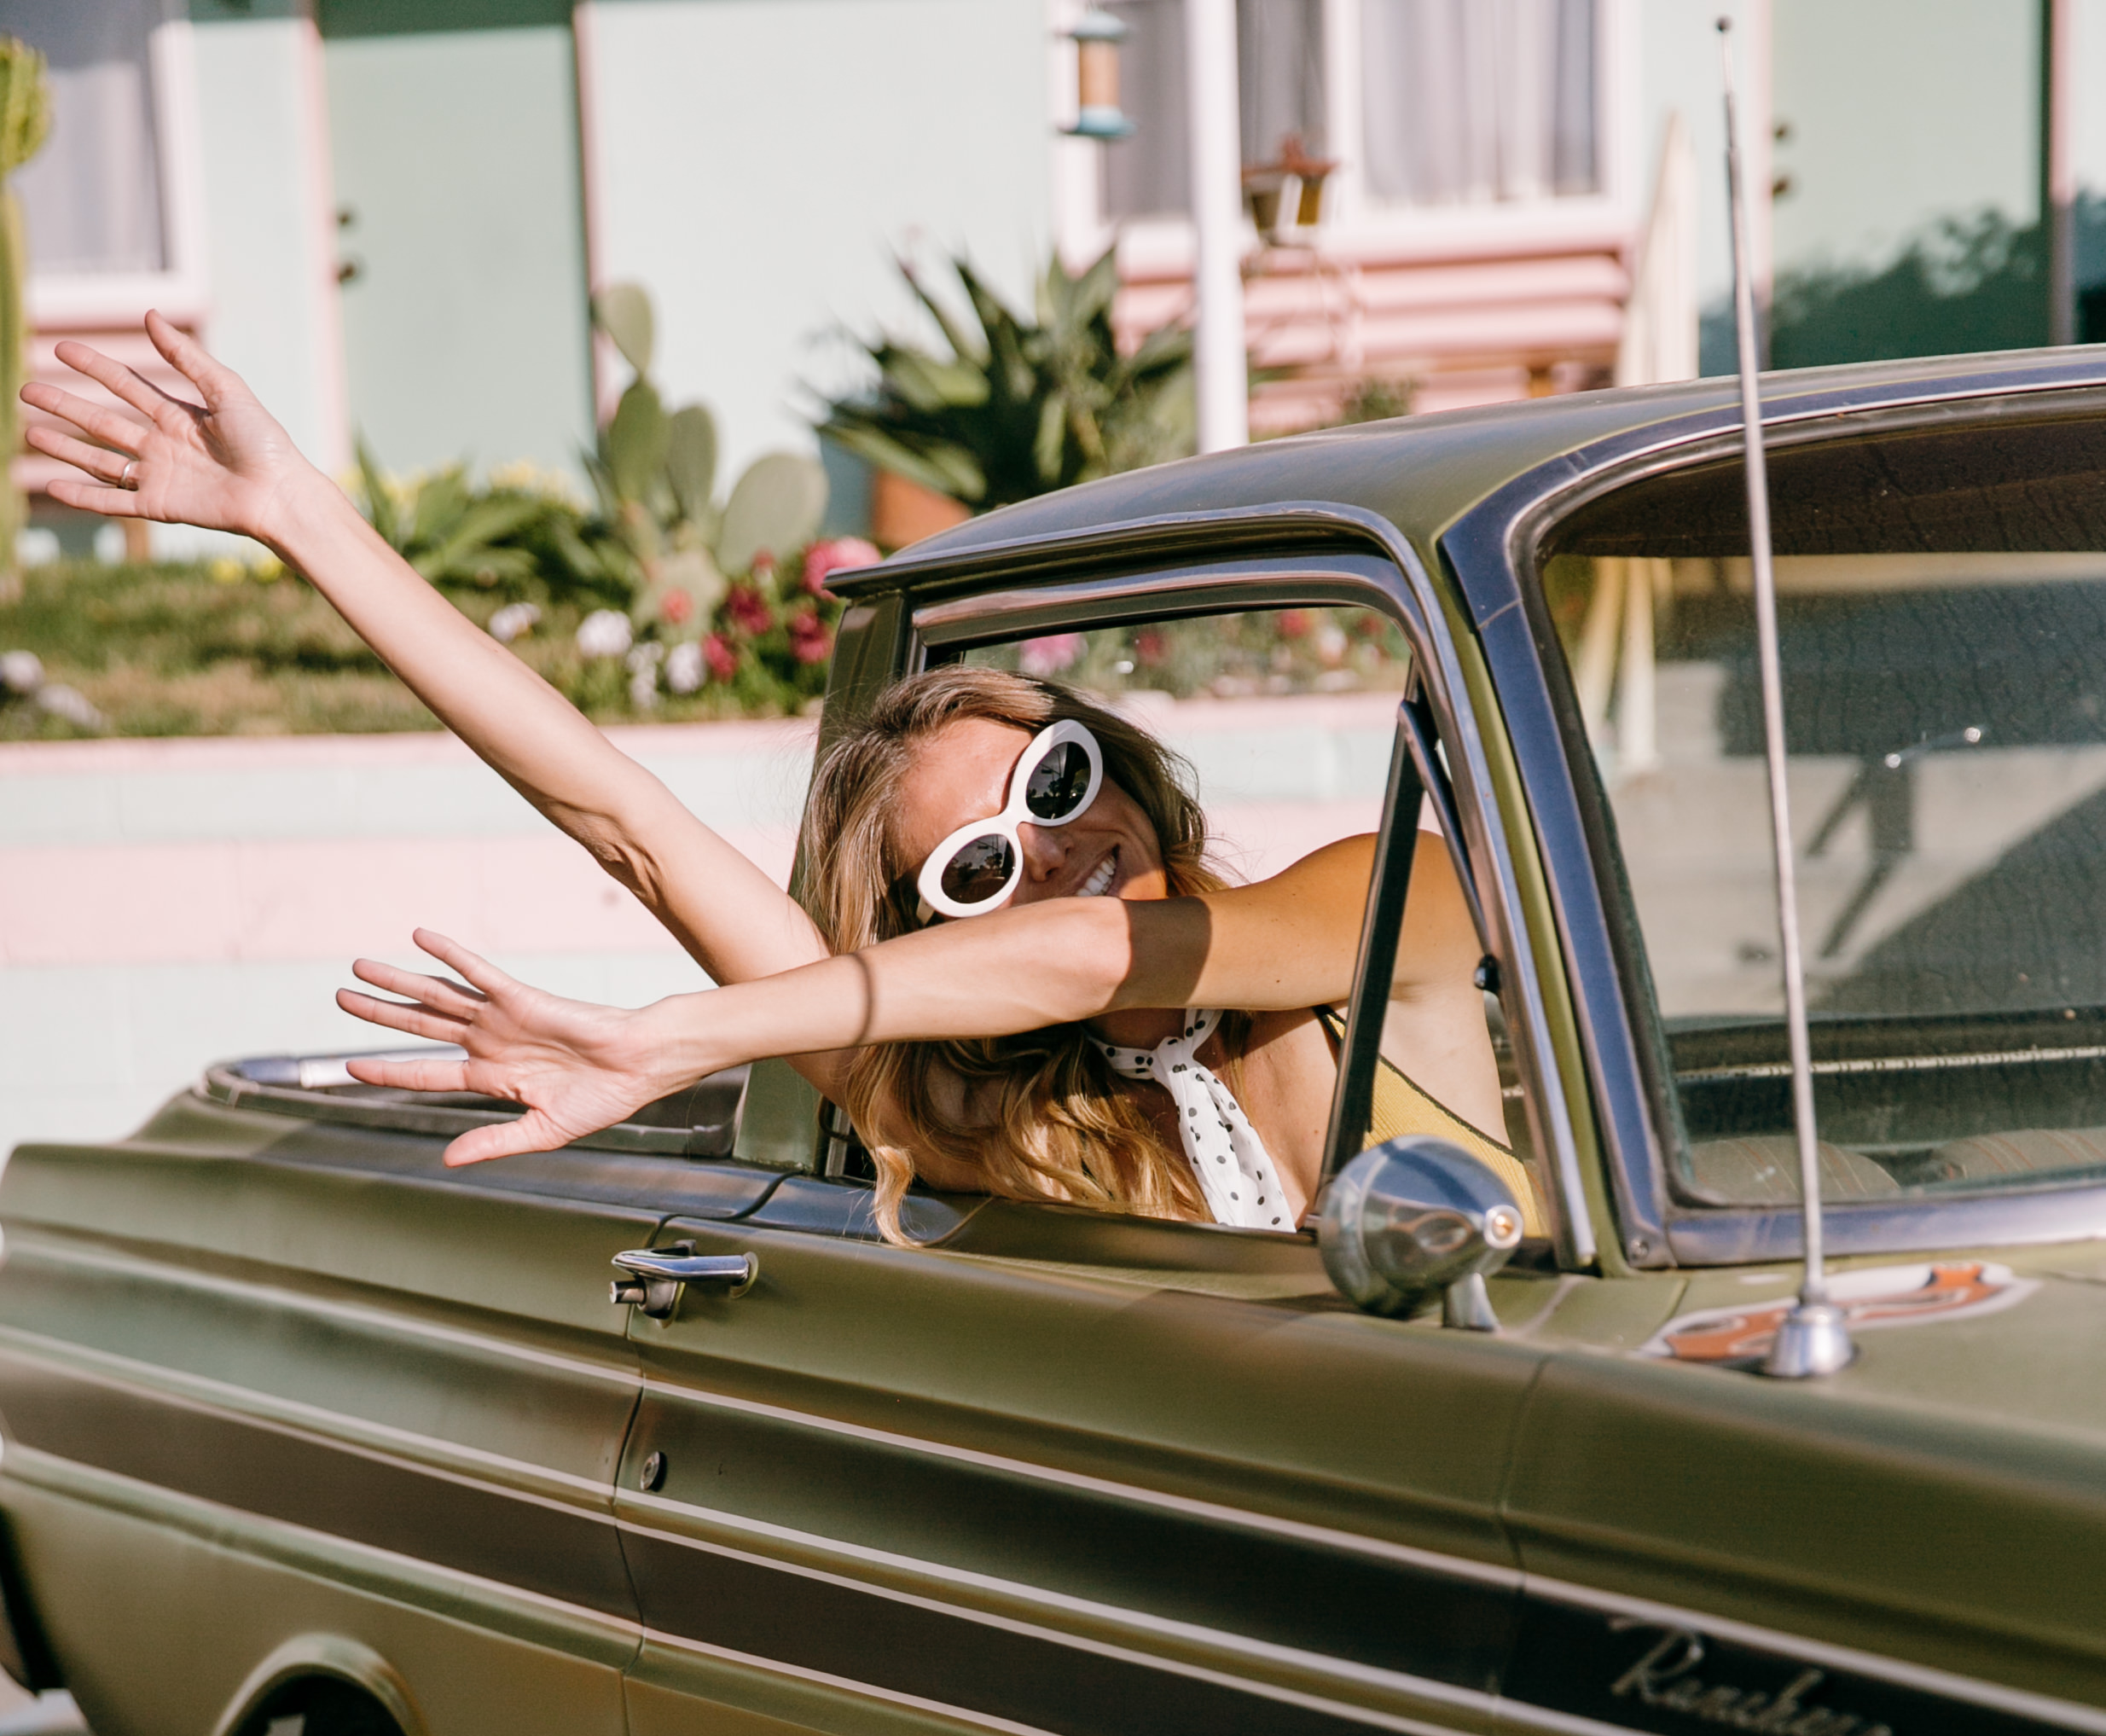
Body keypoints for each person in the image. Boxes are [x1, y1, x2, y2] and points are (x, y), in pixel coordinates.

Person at [27, 315, 1535, 1242]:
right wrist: (302, 517)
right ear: (938, 934)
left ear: (1115, 752)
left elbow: (1099, 946)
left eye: (1057, 781)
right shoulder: (967, 1106)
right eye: (981, 867)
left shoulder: (1371, 902)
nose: (1058, 851)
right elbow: (624, 825)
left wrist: (675, 1035)